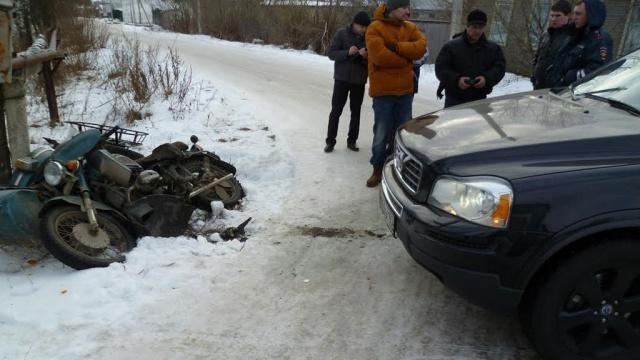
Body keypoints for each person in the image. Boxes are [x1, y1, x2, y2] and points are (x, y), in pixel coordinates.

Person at [365, 0, 426, 187]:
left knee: (403, 133)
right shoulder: (374, 28)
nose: (408, 10)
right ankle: (377, 169)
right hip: (383, 92)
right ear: (392, 9)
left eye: (408, 7)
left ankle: (398, 167)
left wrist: (397, 47)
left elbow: (421, 47)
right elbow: (380, 57)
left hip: (405, 92)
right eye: (404, 7)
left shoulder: (410, 27)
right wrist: (407, 60)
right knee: (381, 133)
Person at [435, 9, 506, 108]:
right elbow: (441, 69)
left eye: (480, 27)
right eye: (474, 27)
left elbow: (499, 68)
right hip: (454, 99)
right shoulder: (451, 47)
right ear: (467, 26)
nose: (477, 31)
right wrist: (457, 80)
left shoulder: (493, 49)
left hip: (479, 99)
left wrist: (486, 78)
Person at [324, 11, 371, 153]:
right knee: (336, 111)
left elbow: (373, 60)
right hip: (341, 79)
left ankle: (352, 141)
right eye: (361, 26)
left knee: (355, 112)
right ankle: (330, 141)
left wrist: (365, 56)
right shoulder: (341, 33)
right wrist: (347, 52)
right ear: (354, 23)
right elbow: (331, 54)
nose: (363, 29)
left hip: (359, 81)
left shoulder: (369, 38)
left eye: (365, 27)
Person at [550, 0, 613, 87]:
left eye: (578, 14)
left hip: (575, 93)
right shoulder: (575, 33)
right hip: (558, 89)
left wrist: (572, 76)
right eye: (574, 13)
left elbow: (600, 70)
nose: (574, 17)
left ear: (591, 15)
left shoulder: (599, 39)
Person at [531, 0, 572, 89]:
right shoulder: (546, 35)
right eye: (552, 15)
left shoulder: (572, 37)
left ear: (568, 16)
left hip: (558, 90)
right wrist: (534, 75)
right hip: (539, 86)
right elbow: (538, 57)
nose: (554, 19)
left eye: (558, 16)